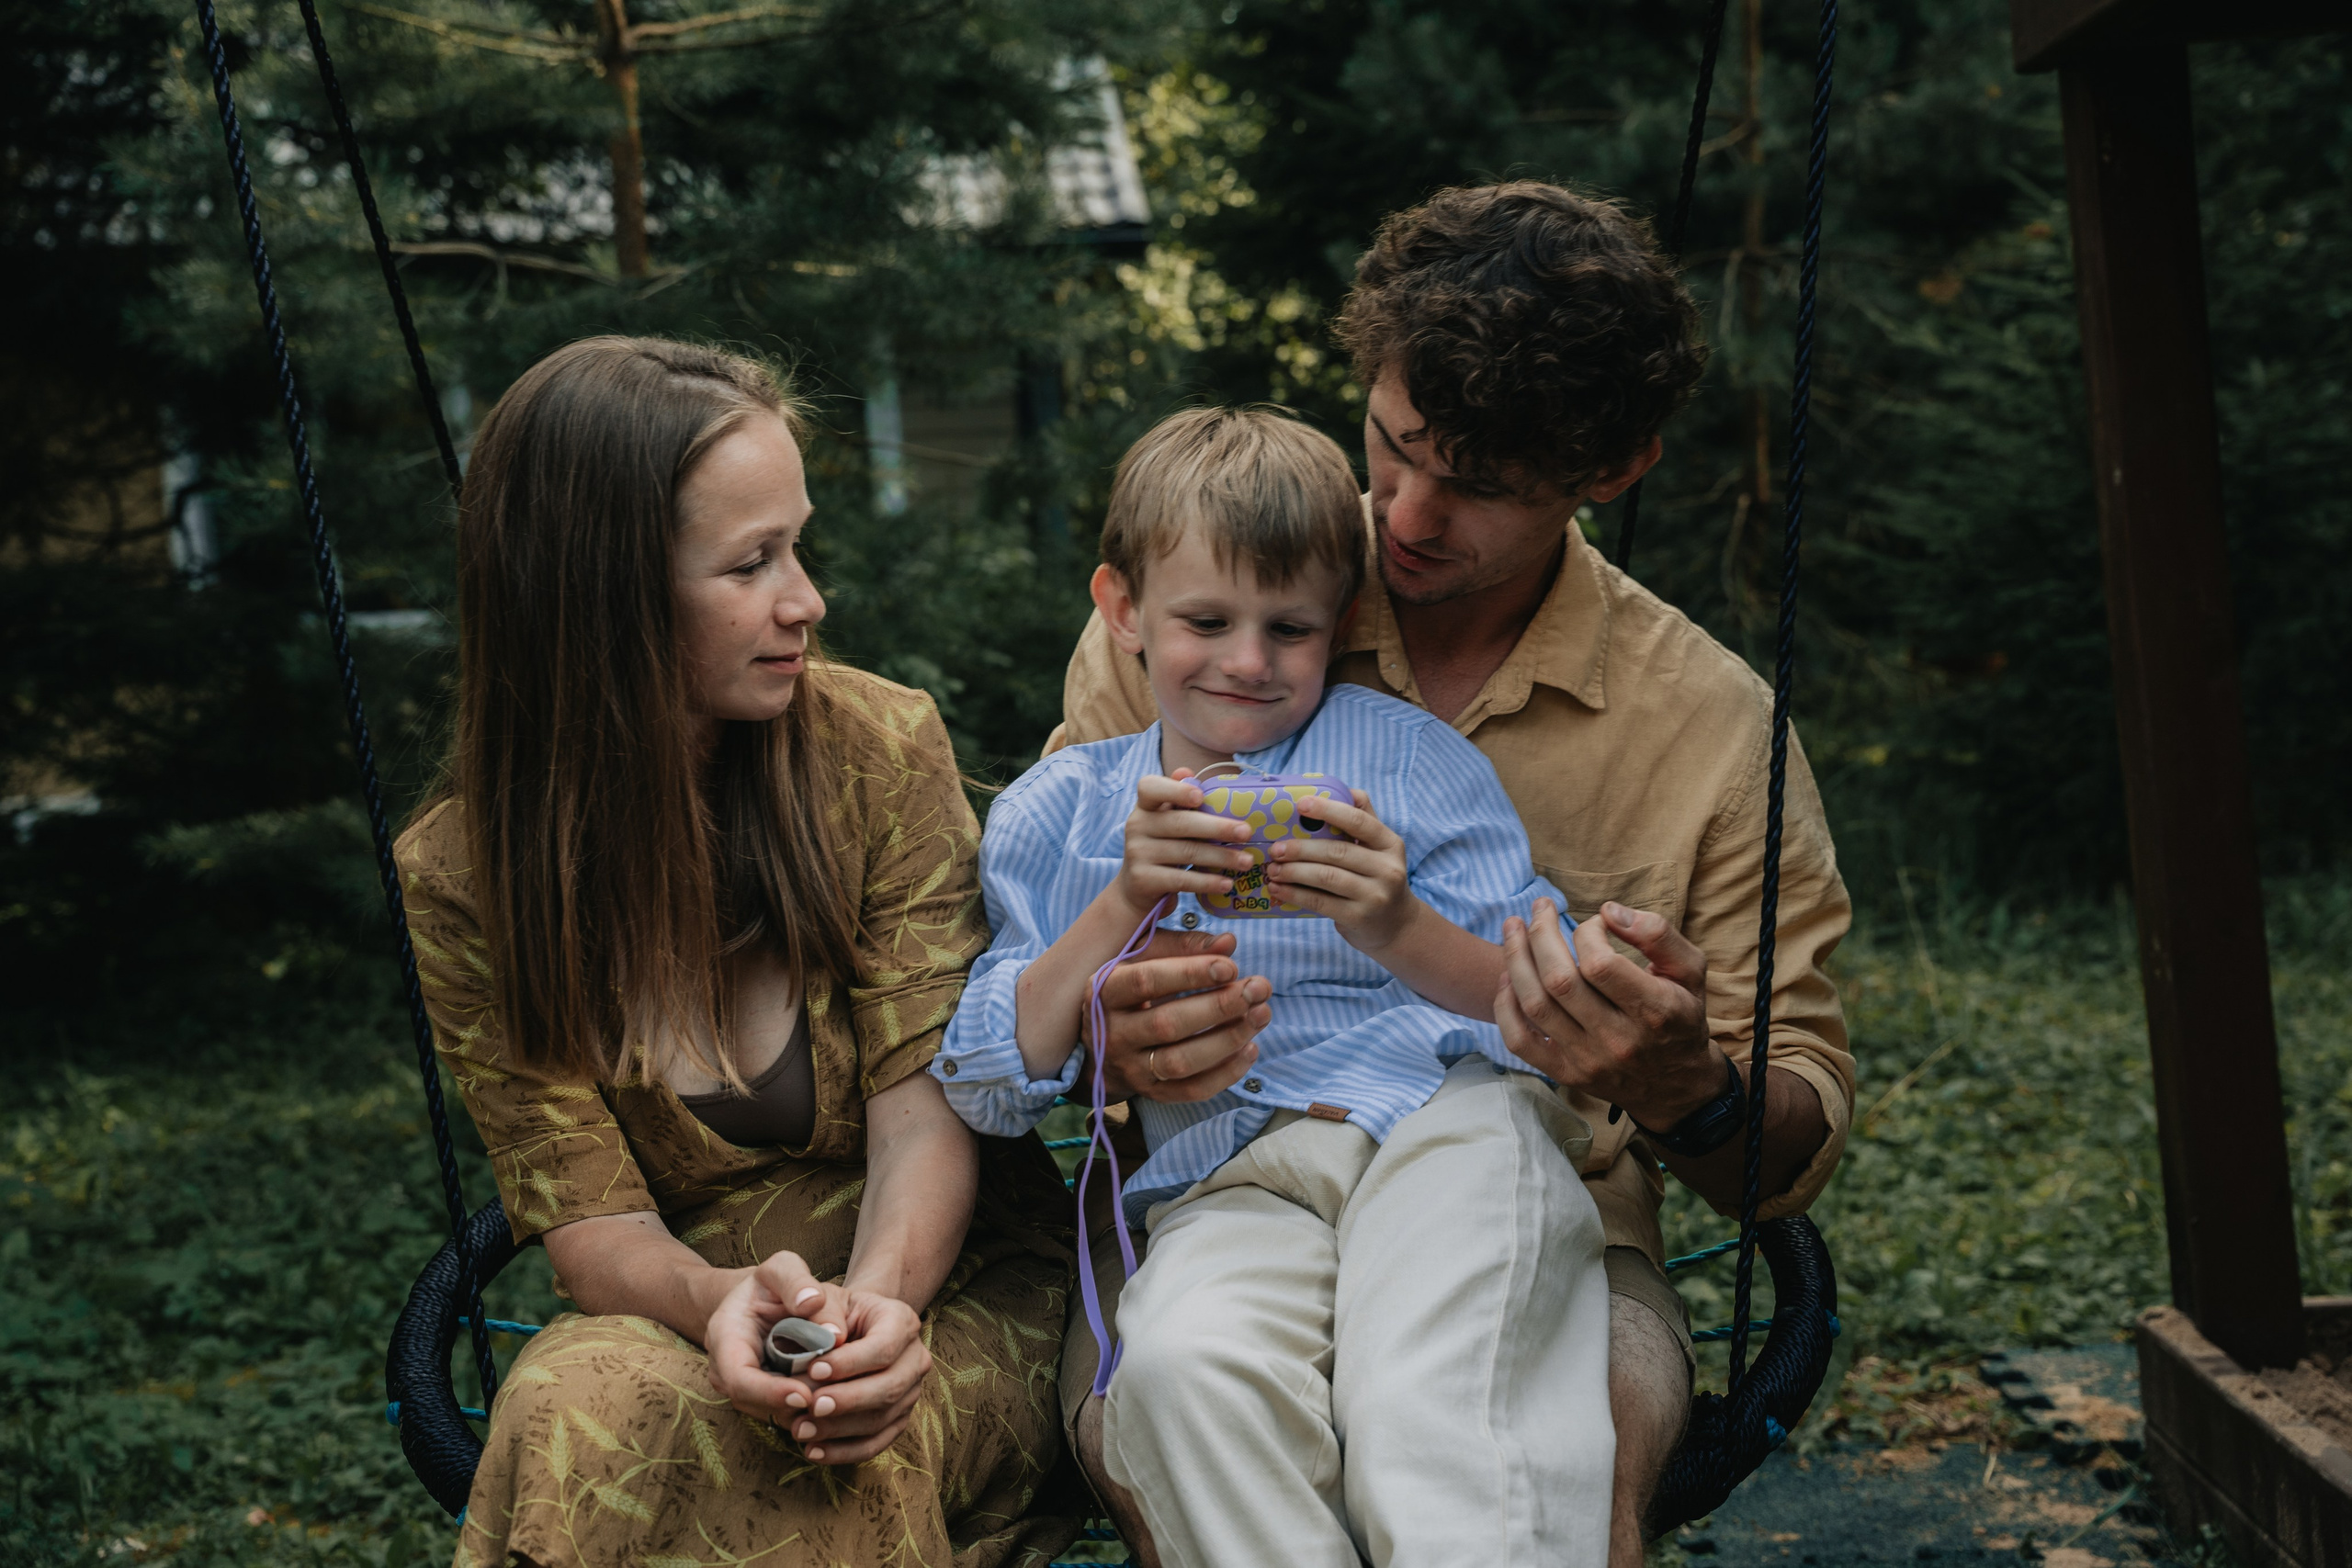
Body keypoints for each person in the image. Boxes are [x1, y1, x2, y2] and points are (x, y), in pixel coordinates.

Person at [1051, 183, 1859, 1567]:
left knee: (1555, 1479)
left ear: (1616, 469)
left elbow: (1789, 1143)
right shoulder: (1205, 615)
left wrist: (1684, 1080)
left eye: (1481, 484)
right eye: (1394, 444)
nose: (1408, 516)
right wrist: (1103, 1031)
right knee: (1166, 1426)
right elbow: (1031, 966)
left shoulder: (1712, 731)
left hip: (1557, 1223)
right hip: (1219, 1192)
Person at [392, 336, 1080, 1568]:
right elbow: (588, 1216)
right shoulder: (463, 876)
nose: (806, 596)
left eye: (797, 545)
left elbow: (927, 1111)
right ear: (603, 597)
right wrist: (723, 1306)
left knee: (837, 1446)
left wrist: (875, 1306)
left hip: (953, 1279)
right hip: (685, 1304)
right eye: (752, 561)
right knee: (567, 1409)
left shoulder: (877, 749)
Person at [932, 406, 1616, 1566]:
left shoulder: (1406, 760)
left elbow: (1535, 1014)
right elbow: (990, 1083)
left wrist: (1396, 924)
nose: (1248, 663)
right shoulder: (1061, 812)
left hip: (1443, 1127)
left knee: (1422, 1397)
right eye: (1206, 620)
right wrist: (1116, 907)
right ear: (1122, 611)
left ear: (1338, 623)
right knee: (1183, 1368)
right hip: (1233, 1169)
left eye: (1289, 629)